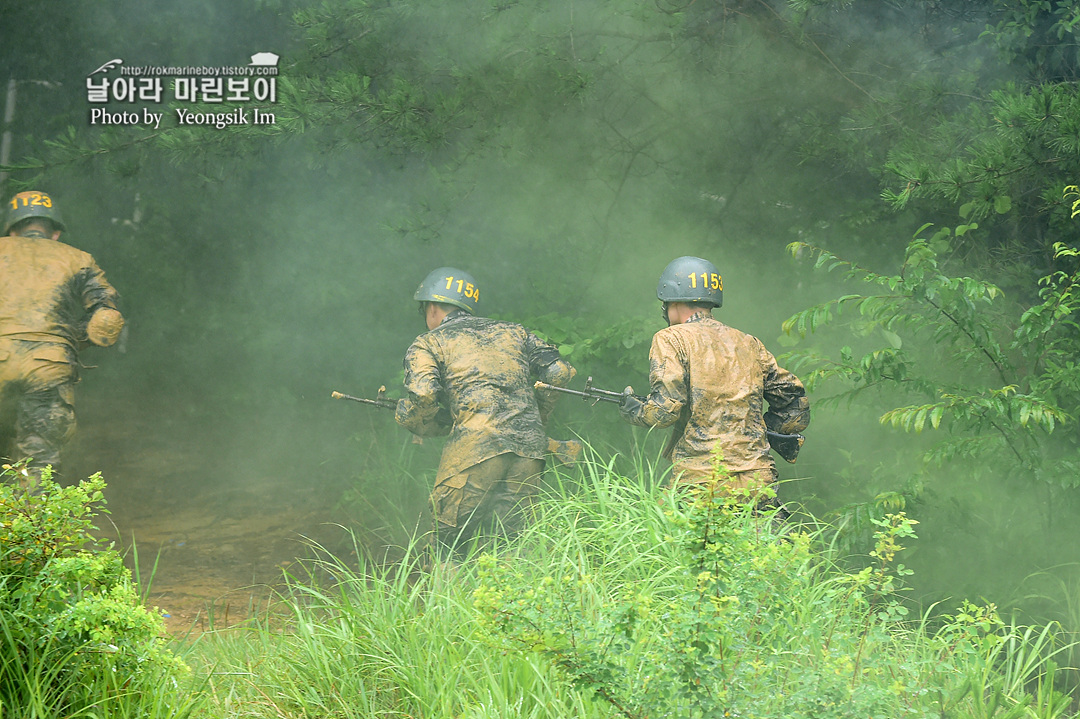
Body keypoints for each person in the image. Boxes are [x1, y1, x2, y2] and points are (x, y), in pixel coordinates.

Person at [395, 266, 576, 558]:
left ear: (431, 306)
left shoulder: (428, 342)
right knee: (513, 546)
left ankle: (449, 603)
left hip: (474, 452)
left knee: (447, 547)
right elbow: (559, 373)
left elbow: (425, 394)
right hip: (529, 454)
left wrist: (414, 421)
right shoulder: (515, 332)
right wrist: (534, 422)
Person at [619, 256, 809, 501]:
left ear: (672, 300)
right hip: (758, 479)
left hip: (701, 481)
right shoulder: (747, 342)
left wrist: (633, 409)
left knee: (674, 538)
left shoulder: (670, 338)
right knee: (763, 540)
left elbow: (663, 413)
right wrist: (759, 434)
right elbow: (796, 405)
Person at [0, 190, 124, 489]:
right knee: (37, 463)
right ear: (55, 232)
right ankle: (29, 530)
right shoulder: (77, 258)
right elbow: (107, 319)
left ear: (12, 229)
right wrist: (68, 339)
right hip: (49, 366)